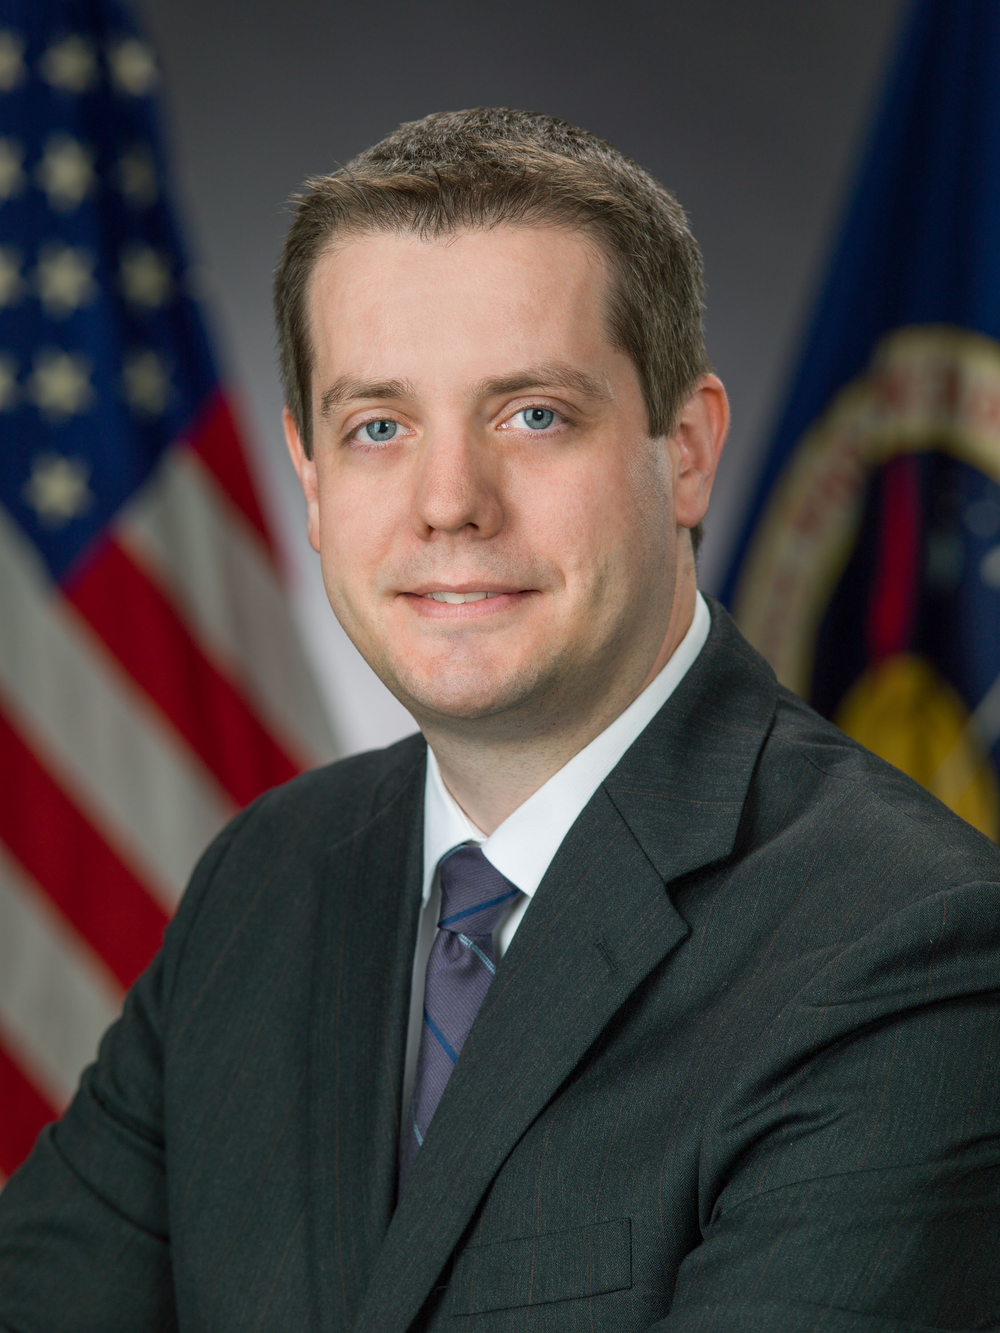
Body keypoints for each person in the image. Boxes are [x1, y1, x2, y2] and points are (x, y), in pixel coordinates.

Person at [1, 107, 999, 1333]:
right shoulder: (262, 881)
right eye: (378, 427)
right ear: (309, 482)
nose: (448, 503)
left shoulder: (906, 945)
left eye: (531, 413)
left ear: (684, 449)